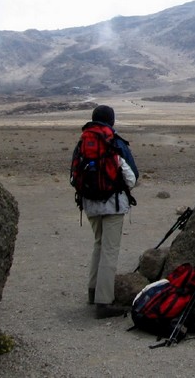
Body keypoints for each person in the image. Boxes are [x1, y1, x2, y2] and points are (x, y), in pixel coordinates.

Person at [79, 105, 139, 318]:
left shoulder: (83, 143)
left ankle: (92, 291)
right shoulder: (116, 143)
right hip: (113, 204)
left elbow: (73, 177)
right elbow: (132, 178)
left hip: (89, 204)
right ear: (111, 121)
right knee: (110, 250)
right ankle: (103, 303)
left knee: (98, 244)